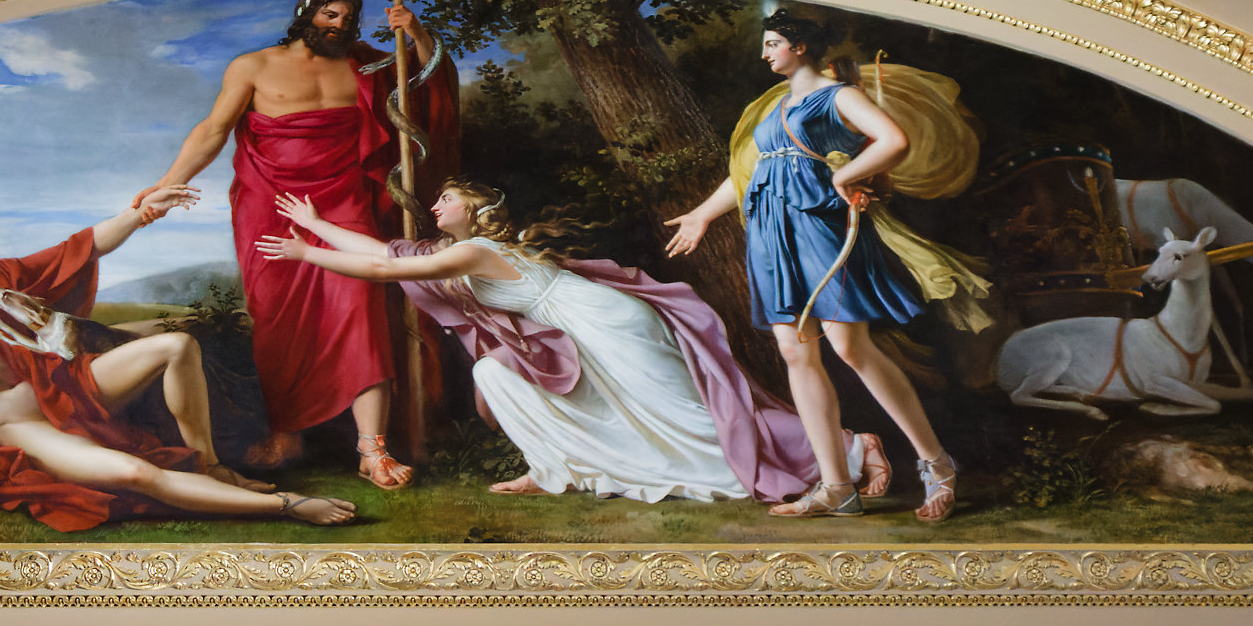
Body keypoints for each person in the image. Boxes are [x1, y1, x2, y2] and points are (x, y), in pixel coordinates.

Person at [258, 180, 885, 505]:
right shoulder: (455, 250)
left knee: (693, 416)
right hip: (585, 328)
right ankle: (554, 468)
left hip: (607, 323)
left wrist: (305, 254)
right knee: (507, 378)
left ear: (473, 211)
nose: (436, 204)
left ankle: (854, 447)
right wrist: (316, 225)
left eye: (447, 198)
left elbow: (383, 270)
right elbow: (384, 252)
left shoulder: (475, 251)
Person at [0, 185, 354, 530]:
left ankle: (207, 466)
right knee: (134, 474)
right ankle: (289, 506)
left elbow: (77, 249)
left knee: (176, 344)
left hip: (63, 387)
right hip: (20, 426)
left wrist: (143, 212)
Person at [147, 0, 459, 484]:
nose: (339, 25)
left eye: (347, 19)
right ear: (305, 14)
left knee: (360, 313)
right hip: (270, 204)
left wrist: (416, 32)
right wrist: (166, 185)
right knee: (278, 321)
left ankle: (372, 450)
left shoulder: (369, 66)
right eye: (330, 15)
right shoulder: (253, 66)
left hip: (344, 201)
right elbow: (213, 130)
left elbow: (428, 83)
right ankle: (287, 431)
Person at [665, 11, 959, 520]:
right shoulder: (775, 106)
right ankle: (837, 486)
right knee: (795, 352)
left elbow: (893, 142)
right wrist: (702, 215)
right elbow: (750, 172)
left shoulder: (838, 95)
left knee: (849, 346)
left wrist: (846, 177)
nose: (765, 53)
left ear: (800, 47)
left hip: (819, 226)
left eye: (773, 43)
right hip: (770, 233)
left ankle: (937, 463)